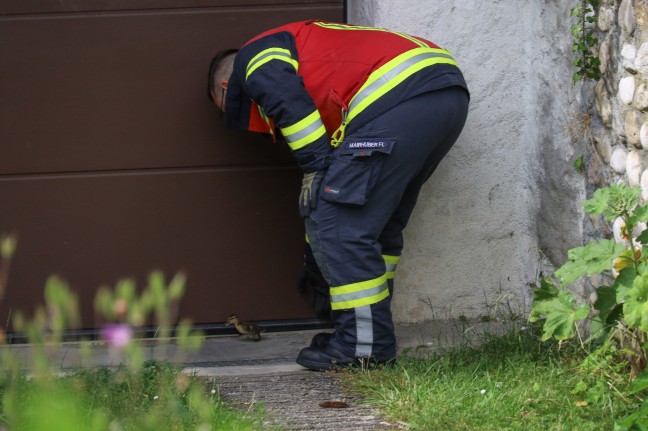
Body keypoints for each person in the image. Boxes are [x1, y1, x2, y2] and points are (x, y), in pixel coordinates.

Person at [207, 20, 469, 371]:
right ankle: (366, 333)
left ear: (227, 88)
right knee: (377, 228)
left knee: (340, 227)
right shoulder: (309, 57)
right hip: (443, 95)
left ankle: (364, 348)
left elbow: (287, 101)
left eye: (224, 106)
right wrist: (318, 261)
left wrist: (314, 166)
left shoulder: (253, 57)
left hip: (396, 95)